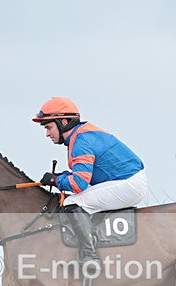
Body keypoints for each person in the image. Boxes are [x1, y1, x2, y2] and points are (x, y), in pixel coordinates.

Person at [32, 97, 147, 270]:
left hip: (129, 183)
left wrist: (56, 180)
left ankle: (90, 257)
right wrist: (61, 177)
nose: (47, 133)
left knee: (73, 202)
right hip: (128, 180)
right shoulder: (80, 136)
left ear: (63, 122)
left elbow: (79, 184)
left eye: (48, 127)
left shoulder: (81, 142)